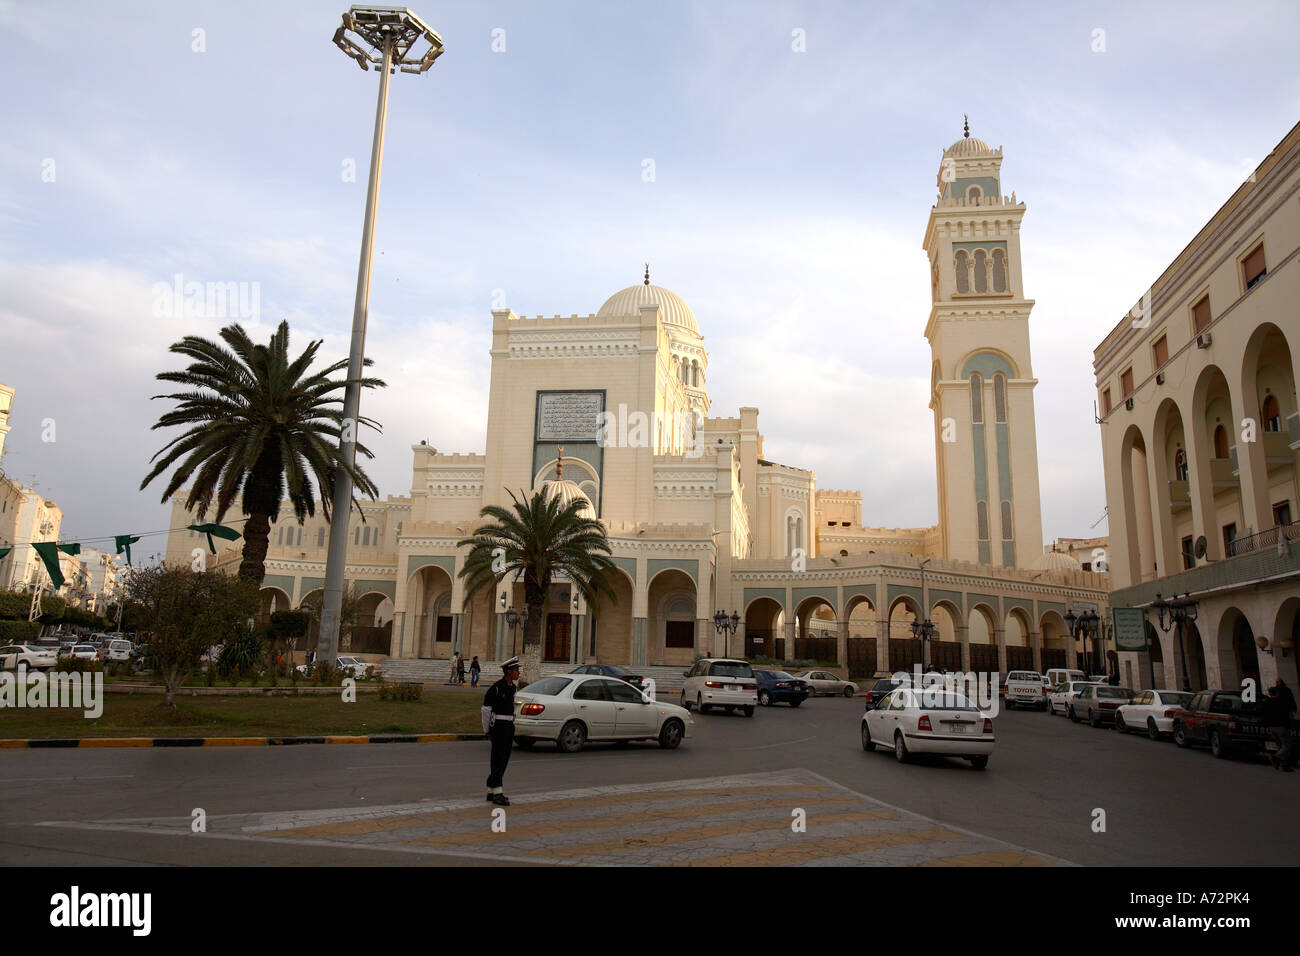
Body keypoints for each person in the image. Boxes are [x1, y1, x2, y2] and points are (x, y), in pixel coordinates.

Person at [482, 656, 521, 805]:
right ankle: (498, 792)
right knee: (497, 759)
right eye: (516, 670)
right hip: (498, 726)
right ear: (509, 672)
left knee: (504, 758)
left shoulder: (512, 688)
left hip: (509, 726)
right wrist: (487, 729)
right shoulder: (497, 687)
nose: (518, 673)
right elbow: (486, 709)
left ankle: (491, 790)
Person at [1261, 683, 1294, 771]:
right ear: (1277, 693)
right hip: (1280, 726)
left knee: (1280, 746)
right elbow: (1286, 714)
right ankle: (1276, 757)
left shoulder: (1266, 702)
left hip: (1271, 727)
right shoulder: (1280, 702)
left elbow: (1264, 715)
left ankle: (1283, 765)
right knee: (1287, 745)